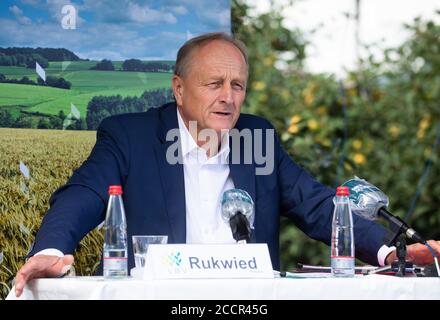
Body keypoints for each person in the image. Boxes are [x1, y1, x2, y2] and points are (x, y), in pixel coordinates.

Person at [14, 32, 440, 297]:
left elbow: (316, 204)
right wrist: (52, 250)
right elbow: (84, 194)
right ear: (179, 89)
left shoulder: (257, 136)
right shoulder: (130, 135)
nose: (228, 97)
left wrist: (391, 251)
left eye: (237, 85)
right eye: (214, 84)